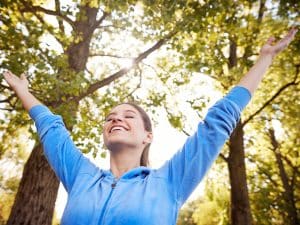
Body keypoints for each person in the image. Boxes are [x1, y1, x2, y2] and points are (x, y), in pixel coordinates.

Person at [3, 28, 297, 225]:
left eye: (128, 115)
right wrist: (23, 90)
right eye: (110, 116)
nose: (116, 118)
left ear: (148, 135)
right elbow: (52, 129)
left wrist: (264, 59)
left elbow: (218, 121)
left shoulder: (169, 181)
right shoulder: (81, 176)